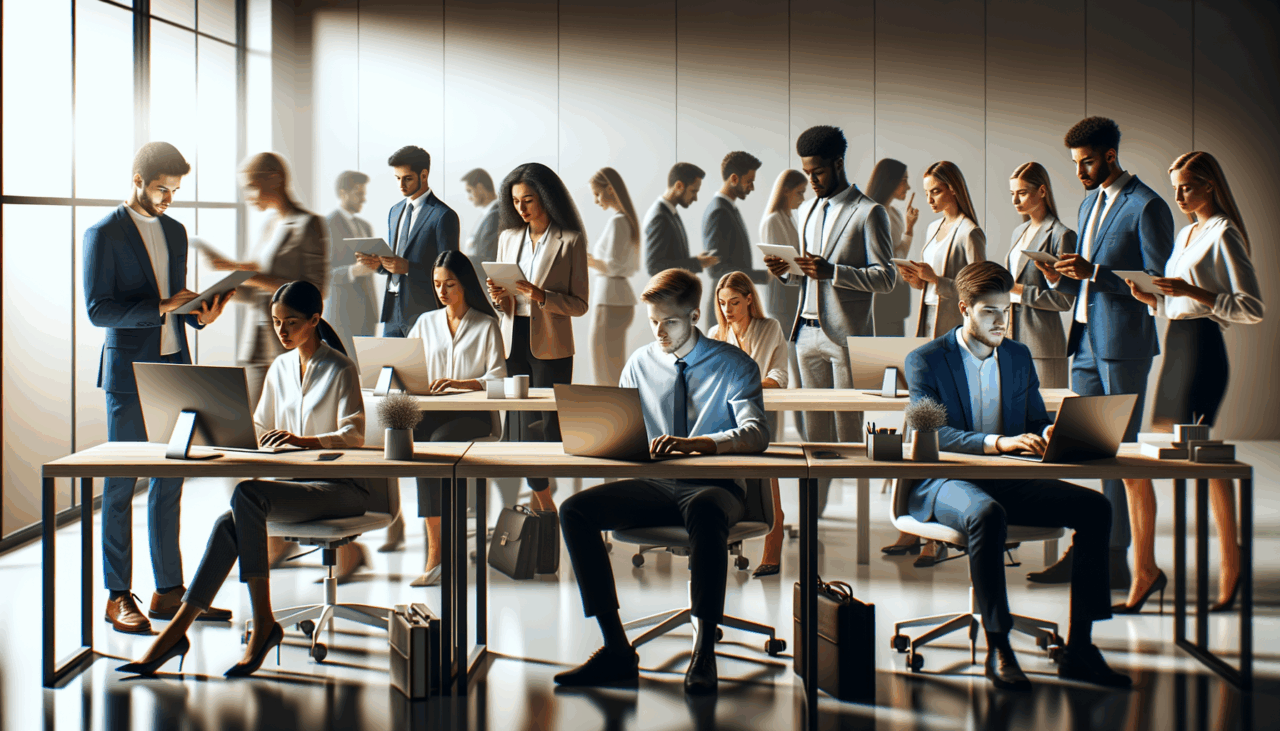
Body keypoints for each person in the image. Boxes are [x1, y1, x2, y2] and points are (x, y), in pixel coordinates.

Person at [117, 281, 374, 678]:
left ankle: (261, 622)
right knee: (230, 521)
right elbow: (258, 423)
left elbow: (355, 434)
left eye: (290, 322)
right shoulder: (280, 367)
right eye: (275, 323)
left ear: (314, 320)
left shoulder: (340, 367)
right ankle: (179, 631)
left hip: (341, 490)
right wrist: (228, 429)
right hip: (299, 487)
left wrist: (301, 440)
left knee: (247, 496)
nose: (281, 331)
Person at [904, 261, 1130, 692]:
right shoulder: (925, 360)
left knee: (1095, 507)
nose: (1001, 321)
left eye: (1005, 310)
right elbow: (929, 431)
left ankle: (1080, 647)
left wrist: (1049, 432)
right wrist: (997, 443)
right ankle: (999, 645)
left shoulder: (1017, 354)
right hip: (943, 482)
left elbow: (1032, 417)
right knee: (986, 515)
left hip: (1009, 478)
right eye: (989, 311)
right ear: (965, 308)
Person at [553, 268, 769, 695]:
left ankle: (704, 651)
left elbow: (757, 431)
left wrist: (701, 445)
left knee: (707, 509)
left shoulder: (734, 365)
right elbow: (624, 429)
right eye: (653, 321)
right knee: (574, 510)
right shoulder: (640, 362)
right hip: (656, 484)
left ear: (693, 315)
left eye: (669, 322)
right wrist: (603, 438)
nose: (659, 332)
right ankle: (616, 649)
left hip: (717, 486)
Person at [83, 141, 235, 634]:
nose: (168, 199)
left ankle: (169, 591)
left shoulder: (175, 231)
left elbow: (177, 306)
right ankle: (115, 595)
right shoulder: (103, 234)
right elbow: (98, 311)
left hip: (174, 367)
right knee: (121, 485)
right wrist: (166, 306)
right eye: (161, 189)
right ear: (137, 180)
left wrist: (201, 314)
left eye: (174, 191)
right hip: (128, 375)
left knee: (169, 484)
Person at [1028, 117, 1174, 589]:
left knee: (1119, 453)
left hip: (1124, 345)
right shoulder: (1091, 201)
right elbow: (1083, 276)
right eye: (1074, 164)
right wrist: (1060, 275)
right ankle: (1092, 544)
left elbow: (1158, 284)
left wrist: (1097, 273)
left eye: (1086, 162)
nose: (1079, 173)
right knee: (1086, 450)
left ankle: (1115, 557)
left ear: (1110, 155)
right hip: (1086, 340)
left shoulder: (1147, 206)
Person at [1117, 151, 1263, 613]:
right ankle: (1146, 569)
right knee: (1143, 463)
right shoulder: (1187, 232)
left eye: (1187, 186)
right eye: (1175, 185)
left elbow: (1250, 307)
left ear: (1210, 186)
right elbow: (1178, 303)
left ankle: (1231, 563)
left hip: (1202, 352)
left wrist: (1192, 291)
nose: (1178, 194)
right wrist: (1151, 299)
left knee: (1201, 464)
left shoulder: (1225, 233)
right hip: (1177, 342)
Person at [763, 126, 896, 517]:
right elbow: (806, 273)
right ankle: (814, 516)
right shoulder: (805, 210)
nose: (812, 180)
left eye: (818, 171)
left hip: (845, 338)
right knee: (814, 438)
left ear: (838, 164)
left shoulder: (870, 212)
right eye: (807, 173)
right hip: (804, 334)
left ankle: (859, 525)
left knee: (850, 437)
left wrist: (833, 271)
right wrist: (785, 272)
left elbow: (886, 278)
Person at [890, 160, 985, 563]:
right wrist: (918, 281)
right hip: (926, 324)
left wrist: (935, 281)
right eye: (927, 191)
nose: (929, 198)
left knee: (939, 428)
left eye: (936, 191)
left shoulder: (970, 230)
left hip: (950, 334)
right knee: (917, 424)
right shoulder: (931, 228)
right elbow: (932, 285)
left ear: (954, 189)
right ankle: (912, 524)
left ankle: (936, 534)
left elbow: (977, 290)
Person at [486, 162, 590, 514]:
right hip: (513, 337)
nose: (521, 208)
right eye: (515, 201)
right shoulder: (507, 238)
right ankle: (544, 503)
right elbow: (504, 301)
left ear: (546, 197)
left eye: (528, 199)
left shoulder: (570, 241)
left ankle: (543, 500)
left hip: (551, 344)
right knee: (517, 425)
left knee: (547, 427)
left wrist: (540, 295)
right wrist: (500, 300)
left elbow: (579, 305)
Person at [405, 251, 507, 586]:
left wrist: (463, 383)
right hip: (432, 410)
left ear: (465, 284)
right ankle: (438, 548)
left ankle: (439, 553)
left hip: (473, 414)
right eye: (437, 284)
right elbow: (406, 366)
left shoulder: (486, 325)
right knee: (415, 443)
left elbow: (499, 378)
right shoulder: (425, 323)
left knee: (438, 444)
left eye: (449, 284)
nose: (442, 291)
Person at [207, 152, 329, 411]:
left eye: (251, 186)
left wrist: (249, 275)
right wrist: (223, 289)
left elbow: (315, 291)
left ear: (275, 179)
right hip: (256, 344)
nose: (248, 196)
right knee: (253, 424)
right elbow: (256, 291)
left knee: (289, 422)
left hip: (289, 343)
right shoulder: (268, 225)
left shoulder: (309, 225)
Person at [708, 272, 788, 578]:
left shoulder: (769, 328)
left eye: (735, 302)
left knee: (768, 473)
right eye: (723, 302)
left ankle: (774, 535)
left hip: (761, 410)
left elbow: (779, 375)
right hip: (723, 413)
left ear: (750, 299)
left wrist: (742, 385)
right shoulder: (717, 333)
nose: (728, 309)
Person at [358, 145, 459, 338]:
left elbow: (451, 270)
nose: (401, 185)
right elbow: (395, 261)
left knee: (424, 368)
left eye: (407, 178)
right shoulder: (394, 212)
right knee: (389, 367)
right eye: (397, 178)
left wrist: (408, 268)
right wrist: (379, 264)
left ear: (424, 175)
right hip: (391, 310)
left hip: (424, 311)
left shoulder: (443, 216)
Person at [1004, 162, 1077, 388]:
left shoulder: (1061, 235)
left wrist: (1018, 290)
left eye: (1022, 193)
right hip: (1010, 340)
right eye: (1012, 194)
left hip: (1043, 344)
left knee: (1046, 415)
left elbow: (1065, 300)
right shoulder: (1019, 232)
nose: (1015, 201)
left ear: (1042, 191)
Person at [586, 167, 641, 387]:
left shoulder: (618, 222)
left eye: (597, 194)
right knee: (611, 366)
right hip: (616, 299)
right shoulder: (626, 221)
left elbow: (613, 265)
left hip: (610, 300)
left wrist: (586, 258)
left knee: (604, 369)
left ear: (610, 189)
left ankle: (609, 417)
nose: (596, 200)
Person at [702, 151, 769, 326]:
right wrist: (764, 276)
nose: (752, 187)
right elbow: (716, 269)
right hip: (725, 310)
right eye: (749, 181)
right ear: (734, 178)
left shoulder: (728, 209)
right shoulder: (719, 211)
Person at [323, 170, 379, 360]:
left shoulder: (365, 226)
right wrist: (352, 271)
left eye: (364, 193)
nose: (363, 199)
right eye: (358, 193)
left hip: (367, 313)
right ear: (342, 193)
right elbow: (322, 272)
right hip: (341, 315)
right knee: (345, 371)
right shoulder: (326, 225)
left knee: (367, 370)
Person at [866, 158, 920, 337]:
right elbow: (883, 259)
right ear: (889, 181)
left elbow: (897, 254)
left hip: (896, 294)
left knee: (894, 352)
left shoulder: (895, 214)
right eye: (904, 180)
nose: (908, 187)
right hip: (879, 295)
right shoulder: (872, 214)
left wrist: (909, 228)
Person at [643, 162, 718, 277]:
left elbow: (671, 259)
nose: (696, 198)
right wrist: (697, 263)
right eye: (693, 191)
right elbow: (654, 267)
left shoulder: (669, 212)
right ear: (679, 186)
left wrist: (697, 260)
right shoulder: (660, 217)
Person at [462, 168, 501, 268]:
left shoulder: (495, 216)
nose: (468, 197)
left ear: (480, 188)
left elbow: (488, 258)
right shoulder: (486, 215)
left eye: (469, 191)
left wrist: (460, 260)